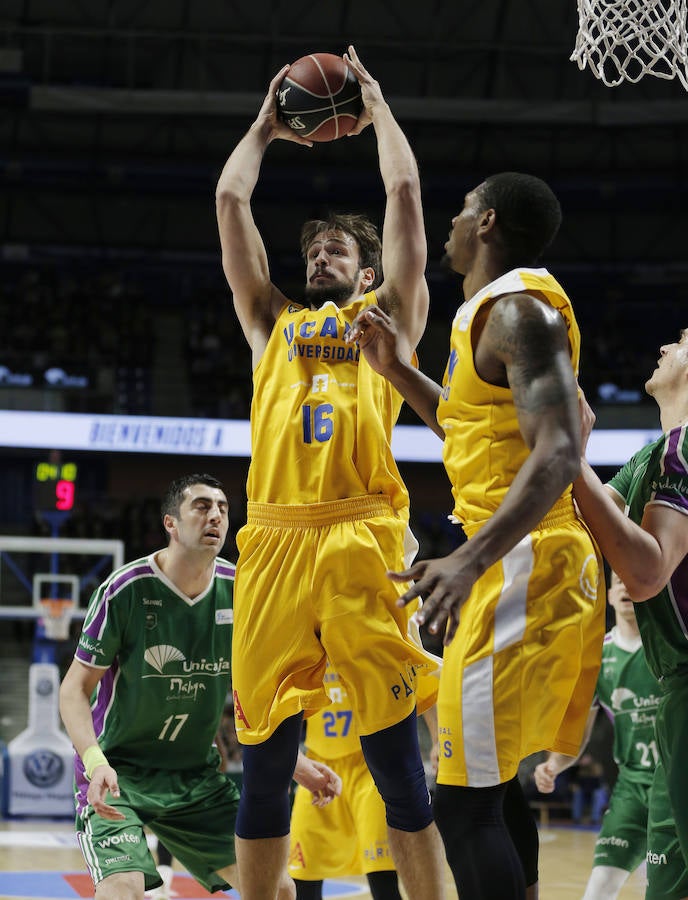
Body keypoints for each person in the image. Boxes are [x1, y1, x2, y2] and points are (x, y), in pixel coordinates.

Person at [215, 44, 446, 900]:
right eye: (313, 252)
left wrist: (379, 110)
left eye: (338, 252)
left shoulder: (386, 322)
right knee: (266, 766)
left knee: (396, 766)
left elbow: (407, 197)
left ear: (368, 271)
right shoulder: (269, 324)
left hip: (361, 534)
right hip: (274, 538)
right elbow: (231, 199)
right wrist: (266, 127)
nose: (321, 259)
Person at [346, 172, 607, 900]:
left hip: (524, 559)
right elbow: (474, 431)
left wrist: (468, 557)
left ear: (486, 222)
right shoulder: (483, 320)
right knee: (486, 791)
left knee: (459, 804)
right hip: (513, 558)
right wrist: (398, 369)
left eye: (460, 212)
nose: (450, 225)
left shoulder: (523, 312)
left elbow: (558, 451)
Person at [58, 473, 340, 900]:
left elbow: (257, 694)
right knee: (123, 891)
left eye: (223, 509)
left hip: (195, 779)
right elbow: (73, 690)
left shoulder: (241, 588)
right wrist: (95, 762)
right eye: (202, 506)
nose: (216, 516)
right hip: (118, 775)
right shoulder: (125, 590)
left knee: (279, 890)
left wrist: (294, 762)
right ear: (171, 522)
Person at [570, 330, 688, 899]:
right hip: (675, 694)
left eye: (684, 341)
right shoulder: (652, 453)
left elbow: (644, 573)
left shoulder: (682, 450)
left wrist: (567, 454)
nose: (665, 345)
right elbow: (582, 519)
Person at [534, 571, 660, 899]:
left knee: (662, 887)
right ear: (608, 593)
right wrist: (554, 765)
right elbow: (578, 735)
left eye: (631, 579)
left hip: (675, 785)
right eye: (618, 581)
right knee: (599, 886)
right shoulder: (597, 659)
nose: (624, 587)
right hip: (632, 788)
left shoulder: (669, 647)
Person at [288, 660, 439, 900]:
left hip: (368, 767)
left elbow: (417, 679)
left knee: (382, 880)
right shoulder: (303, 638)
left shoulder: (363, 630)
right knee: (302, 879)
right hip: (319, 766)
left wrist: (437, 737)